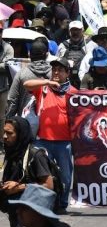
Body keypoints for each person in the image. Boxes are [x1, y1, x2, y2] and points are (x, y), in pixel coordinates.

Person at [23, 58, 76, 212]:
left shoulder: (73, 92)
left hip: (64, 142)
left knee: (65, 176)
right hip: (42, 141)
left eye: (60, 70)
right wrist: (47, 82)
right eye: (54, 69)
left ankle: (62, 204)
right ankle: (44, 204)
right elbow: (26, 84)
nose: (56, 72)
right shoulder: (44, 88)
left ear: (68, 73)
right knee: (42, 175)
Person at [1, 117, 54, 227]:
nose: (5, 136)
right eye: (4, 132)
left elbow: (49, 185)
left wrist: (20, 187)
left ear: (20, 135)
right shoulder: (12, 153)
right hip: (16, 211)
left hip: (32, 214)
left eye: (9, 133)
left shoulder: (36, 155)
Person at [6, 38, 51, 119]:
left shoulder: (21, 74)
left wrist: (9, 119)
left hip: (25, 122)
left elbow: (12, 99)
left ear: (29, 54)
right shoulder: (54, 74)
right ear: (47, 55)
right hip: (49, 120)